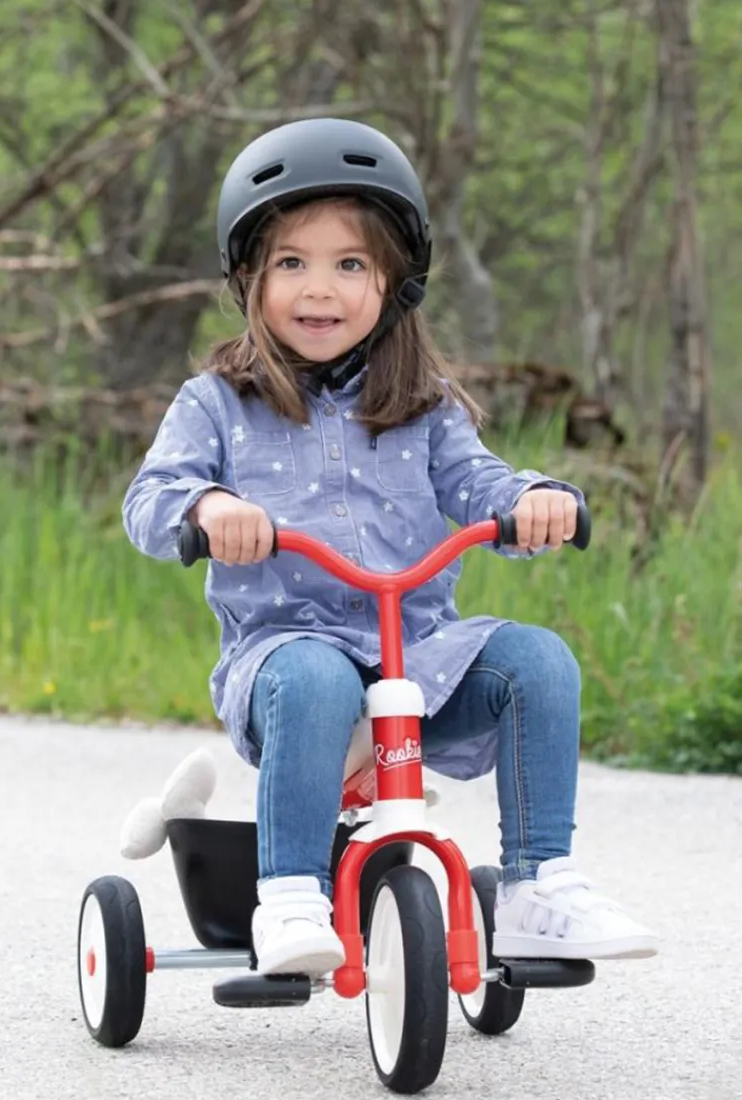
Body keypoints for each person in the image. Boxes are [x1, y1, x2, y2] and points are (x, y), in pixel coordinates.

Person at [122, 118, 659, 977]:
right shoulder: (217, 402)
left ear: (394, 284)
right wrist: (210, 504)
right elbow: (148, 501)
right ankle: (291, 895)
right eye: (291, 263)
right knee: (317, 673)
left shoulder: (423, 403)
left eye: (350, 265)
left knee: (538, 662)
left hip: (420, 660)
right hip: (284, 662)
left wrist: (532, 501)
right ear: (249, 281)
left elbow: (481, 485)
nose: (318, 288)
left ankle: (536, 886)